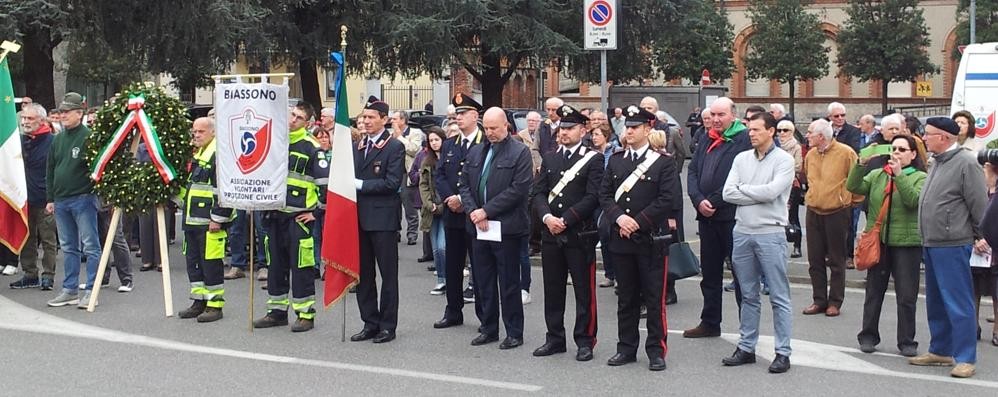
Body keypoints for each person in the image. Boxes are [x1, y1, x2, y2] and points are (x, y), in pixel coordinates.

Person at [910, 117, 987, 378]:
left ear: (944, 137)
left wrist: (981, 236)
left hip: (953, 242)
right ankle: (941, 349)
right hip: (932, 241)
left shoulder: (966, 163)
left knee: (958, 300)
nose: (924, 138)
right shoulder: (937, 162)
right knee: (936, 300)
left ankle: (966, 357)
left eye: (929, 134)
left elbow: (979, 205)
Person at [600, 105, 676, 371]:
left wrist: (637, 222)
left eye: (634, 127)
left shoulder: (663, 162)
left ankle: (656, 350)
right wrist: (620, 219)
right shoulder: (617, 159)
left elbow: (667, 199)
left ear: (648, 129)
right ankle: (626, 348)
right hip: (620, 239)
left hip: (650, 240)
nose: (628, 131)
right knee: (627, 298)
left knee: (654, 299)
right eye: (627, 127)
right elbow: (605, 196)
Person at [720, 111, 795, 374]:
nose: (750, 133)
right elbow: (727, 193)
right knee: (748, 294)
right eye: (749, 129)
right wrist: (757, 193)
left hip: (770, 232)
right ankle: (746, 347)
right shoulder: (741, 158)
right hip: (742, 232)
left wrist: (746, 190)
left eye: (756, 129)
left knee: (778, 295)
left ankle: (783, 352)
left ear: (771, 131)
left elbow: (773, 192)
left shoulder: (784, 160)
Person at [530, 104, 603, 361]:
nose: (564, 132)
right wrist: (548, 218)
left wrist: (566, 219)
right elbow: (538, 192)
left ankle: (585, 340)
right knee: (553, 288)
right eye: (562, 127)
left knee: (583, 290)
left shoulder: (593, 159)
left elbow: (594, 196)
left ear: (583, 130)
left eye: (570, 128)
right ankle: (555, 338)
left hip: (578, 233)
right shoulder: (550, 158)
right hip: (552, 233)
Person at [459, 107, 533, 350]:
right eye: (486, 128)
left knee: (509, 281)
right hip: (478, 228)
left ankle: (514, 331)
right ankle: (488, 327)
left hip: (507, 228)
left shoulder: (520, 152)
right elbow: (465, 185)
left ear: (505, 126)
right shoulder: (477, 150)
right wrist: (473, 211)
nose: (489, 132)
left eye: (494, 128)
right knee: (483, 280)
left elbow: (519, 189)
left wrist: (486, 211)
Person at [847, 135, 926, 357]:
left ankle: (907, 341)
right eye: (894, 148)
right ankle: (868, 336)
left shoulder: (920, 177)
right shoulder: (878, 174)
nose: (897, 153)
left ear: (913, 154)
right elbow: (853, 186)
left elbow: (913, 201)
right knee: (874, 292)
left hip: (907, 244)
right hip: (879, 242)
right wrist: (861, 163)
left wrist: (900, 175)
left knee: (907, 295)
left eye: (903, 149)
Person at [252, 103, 328, 332]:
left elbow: (325, 185)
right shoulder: (274, 141)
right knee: (275, 265)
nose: (293, 119)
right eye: (292, 114)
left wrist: (315, 212)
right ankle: (276, 312)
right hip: (274, 215)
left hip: (298, 218)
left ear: (307, 123)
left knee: (301, 267)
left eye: (299, 117)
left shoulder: (312, 148)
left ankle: (305, 314)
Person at [684, 97, 751, 338]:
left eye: (721, 115)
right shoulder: (706, 136)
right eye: (712, 114)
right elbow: (692, 170)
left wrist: (712, 201)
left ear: (733, 115)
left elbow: (739, 177)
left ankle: (747, 329)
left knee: (741, 275)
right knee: (710, 274)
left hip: (732, 216)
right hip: (707, 218)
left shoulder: (743, 139)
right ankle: (710, 322)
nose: (715, 119)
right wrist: (697, 199)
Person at [347, 98, 405, 343]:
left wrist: (360, 185)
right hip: (358, 219)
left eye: (371, 117)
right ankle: (369, 322)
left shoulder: (393, 147)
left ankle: (387, 325)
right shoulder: (358, 146)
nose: (366, 122)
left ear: (384, 119)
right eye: (364, 117)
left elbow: (392, 184)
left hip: (383, 220)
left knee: (388, 276)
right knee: (364, 275)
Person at [44, 93, 103, 308]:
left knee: (90, 245)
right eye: (62, 112)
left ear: (80, 113)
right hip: (61, 200)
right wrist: (50, 197)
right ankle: (69, 290)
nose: (63, 115)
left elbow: (97, 168)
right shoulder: (58, 139)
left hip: (83, 197)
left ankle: (91, 289)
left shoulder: (88, 137)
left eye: (68, 112)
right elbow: (50, 169)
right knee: (68, 246)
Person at [433, 94, 485, 330]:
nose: (458, 118)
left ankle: (485, 314)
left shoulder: (485, 143)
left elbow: (485, 179)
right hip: (452, 214)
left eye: (463, 114)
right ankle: (453, 311)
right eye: (457, 114)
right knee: (453, 265)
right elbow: (440, 175)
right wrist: (449, 198)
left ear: (475, 116)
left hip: (475, 214)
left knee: (480, 265)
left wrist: (465, 201)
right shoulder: (450, 144)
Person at [177, 117, 234, 322]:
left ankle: (215, 305)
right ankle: (199, 301)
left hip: (210, 221)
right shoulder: (199, 154)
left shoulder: (218, 155)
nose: (196, 135)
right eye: (194, 131)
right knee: (194, 263)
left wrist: (218, 218)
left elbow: (224, 190)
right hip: (192, 220)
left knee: (211, 264)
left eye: (201, 131)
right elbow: (192, 188)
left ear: (212, 132)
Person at [801, 118, 859, 317]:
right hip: (814, 210)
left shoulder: (846, 153)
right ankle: (819, 300)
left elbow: (856, 178)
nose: (807, 135)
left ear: (821, 136)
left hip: (837, 211)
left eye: (810, 132)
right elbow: (807, 176)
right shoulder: (810, 154)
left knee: (836, 259)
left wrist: (850, 202)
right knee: (814, 259)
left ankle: (835, 301)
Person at [10, 103, 58, 290]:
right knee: (26, 238)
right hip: (23, 199)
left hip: (46, 199)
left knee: (48, 240)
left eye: (29, 118)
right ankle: (30, 274)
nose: (25, 122)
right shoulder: (19, 141)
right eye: (23, 118)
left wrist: (53, 197)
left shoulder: (53, 141)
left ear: (41, 119)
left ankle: (48, 275)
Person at [419, 127, 448, 295]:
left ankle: (448, 278)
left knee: (443, 246)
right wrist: (429, 204)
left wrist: (442, 205)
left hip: (446, 208)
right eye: (431, 140)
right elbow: (422, 185)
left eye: (437, 139)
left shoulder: (448, 159)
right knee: (436, 248)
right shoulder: (426, 161)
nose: (434, 143)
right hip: (431, 209)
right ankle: (441, 280)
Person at [391, 110, 425, 246]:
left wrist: (399, 136)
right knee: (394, 205)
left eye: (394, 119)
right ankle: (396, 232)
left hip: (407, 174)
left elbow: (413, 149)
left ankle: (412, 234)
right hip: (394, 174)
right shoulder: (390, 135)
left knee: (409, 205)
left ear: (403, 120)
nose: (392, 121)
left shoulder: (415, 133)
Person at [778, 120, 804, 258]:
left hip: (792, 184)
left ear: (792, 131)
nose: (782, 133)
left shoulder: (796, 146)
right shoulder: (775, 145)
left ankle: (797, 246)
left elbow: (798, 166)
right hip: (777, 184)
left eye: (785, 130)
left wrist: (783, 170)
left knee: (793, 216)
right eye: (780, 130)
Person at [979, 161, 998, 347]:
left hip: (995, 247)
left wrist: (990, 239)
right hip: (977, 247)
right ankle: (972, 326)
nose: (983, 170)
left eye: (985, 167)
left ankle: (997, 329)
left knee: (996, 290)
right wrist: (977, 238)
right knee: (973, 288)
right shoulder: (980, 190)